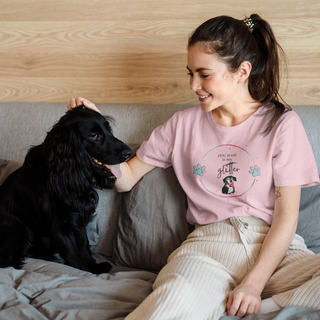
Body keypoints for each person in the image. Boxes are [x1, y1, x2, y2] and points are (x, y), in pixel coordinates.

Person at [68, 14, 320, 320]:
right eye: (190, 74)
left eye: (204, 74)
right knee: (168, 306)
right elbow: (126, 178)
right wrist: (96, 137)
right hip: (208, 249)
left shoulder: (282, 124)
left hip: (275, 251)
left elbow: (286, 217)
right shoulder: (182, 125)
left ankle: (261, 309)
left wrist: (253, 286)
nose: (193, 85)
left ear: (242, 71)